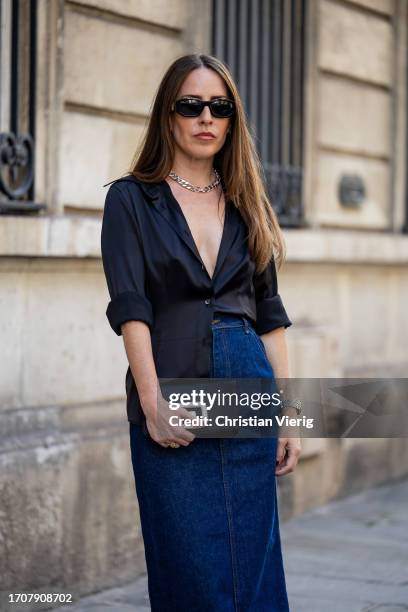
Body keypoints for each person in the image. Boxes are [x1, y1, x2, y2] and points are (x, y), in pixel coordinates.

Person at [101, 53, 301, 612]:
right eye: (191, 105)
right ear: (168, 115)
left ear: (233, 119)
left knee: (254, 570)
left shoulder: (248, 204)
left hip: (249, 391)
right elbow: (130, 307)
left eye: (220, 106)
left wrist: (289, 416)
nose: (205, 117)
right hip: (174, 391)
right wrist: (152, 400)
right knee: (188, 566)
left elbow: (271, 317)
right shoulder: (130, 200)